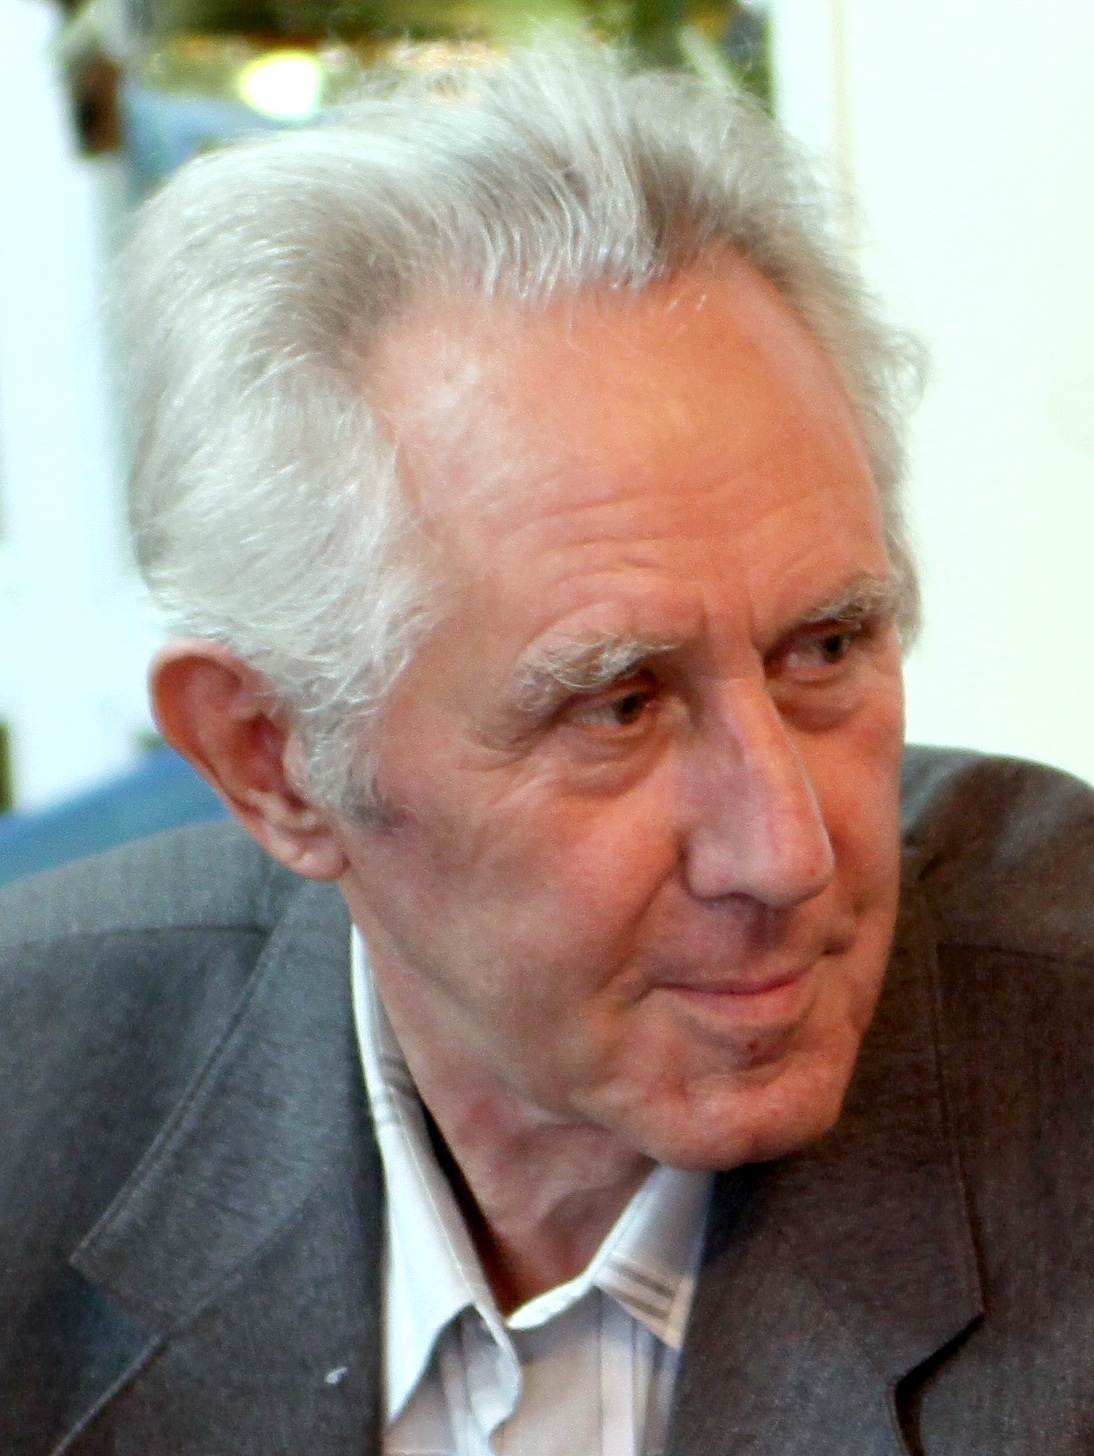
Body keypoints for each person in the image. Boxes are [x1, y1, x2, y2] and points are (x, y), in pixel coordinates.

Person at [2, 43, 1093, 1456]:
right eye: (616, 706)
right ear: (275, 760)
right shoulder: (36, 1090)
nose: (786, 852)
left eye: (823, 650)